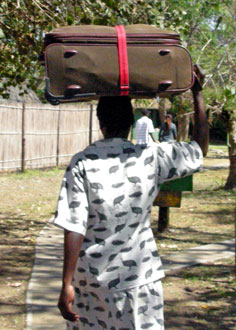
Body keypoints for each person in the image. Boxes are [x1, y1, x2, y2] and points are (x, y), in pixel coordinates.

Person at [54, 64, 208, 330]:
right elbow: (199, 149)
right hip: (140, 279)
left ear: (100, 122)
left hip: (91, 283)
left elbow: (74, 226)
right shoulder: (151, 156)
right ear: (131, 122)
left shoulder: (81, 162)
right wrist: (198, 94)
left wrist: (67, 283)